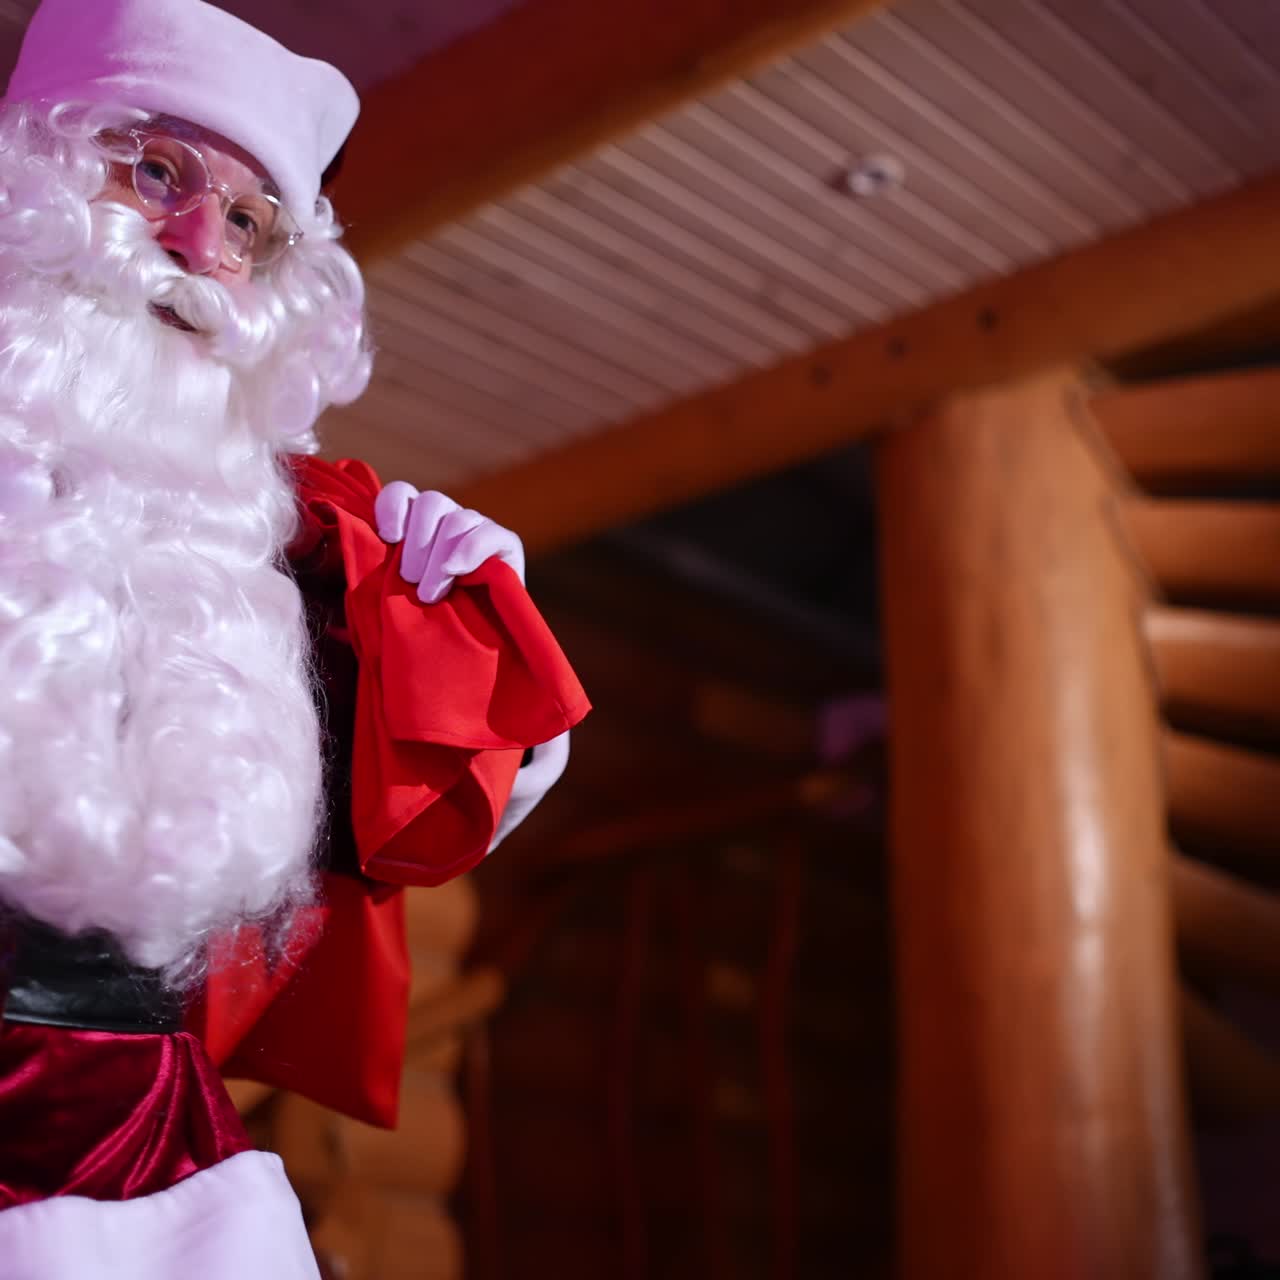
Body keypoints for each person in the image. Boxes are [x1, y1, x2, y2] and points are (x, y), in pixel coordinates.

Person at [0, 2, 589, 1276]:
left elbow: (423, 815)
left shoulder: (271, 557)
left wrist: (461, 631)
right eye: (155, 169)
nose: (196, 245)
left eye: (251, 225)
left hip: (148, 1162)